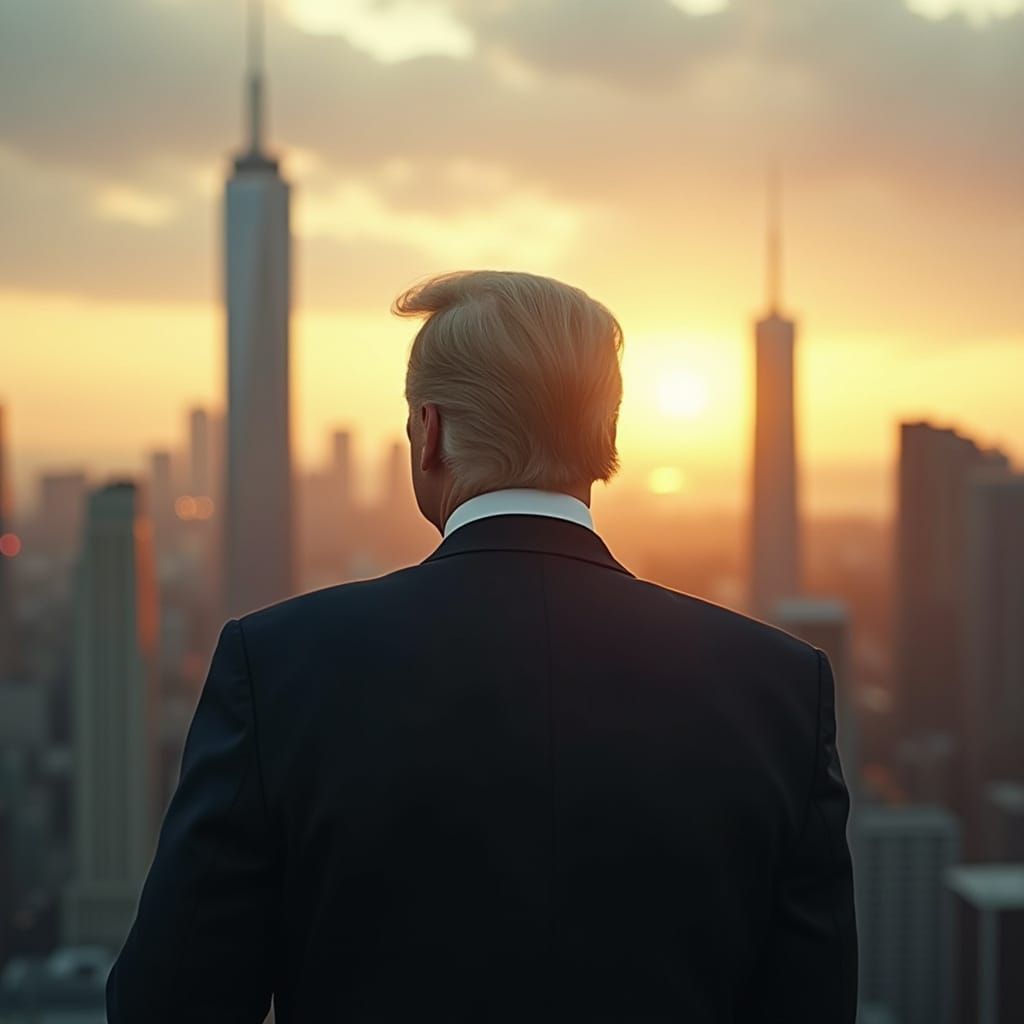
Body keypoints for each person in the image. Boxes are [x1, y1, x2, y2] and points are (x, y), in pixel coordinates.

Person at [106, 270, 857, 1022]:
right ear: (606, 436)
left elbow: (167, 1005)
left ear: (429, 432)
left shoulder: (277, 667)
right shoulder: (781, 689)